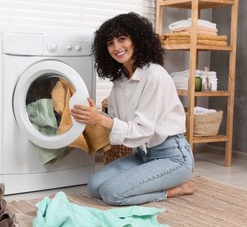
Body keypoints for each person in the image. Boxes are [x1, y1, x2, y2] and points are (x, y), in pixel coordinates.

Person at [70, 12, 195, 205]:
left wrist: (100, 119)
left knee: (112, 194)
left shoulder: (155, 75)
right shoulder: (120, 81)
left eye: (122, 39)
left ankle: (178, 189)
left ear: (136, 40)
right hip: (143, 155)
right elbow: (115, 122)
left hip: (173, 157)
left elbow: (143, 130)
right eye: (110, 43)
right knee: (95, 187)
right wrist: (91, 113)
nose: (116, 47)